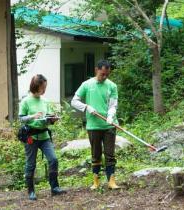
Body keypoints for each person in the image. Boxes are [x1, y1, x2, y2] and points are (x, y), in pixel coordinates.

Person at [71, 59, 120, 190]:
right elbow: (74, 101)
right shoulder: (86, 85)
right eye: (102, 74)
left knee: (110, 154)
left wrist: (110, 115)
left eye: (107, 74)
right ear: (96, 70)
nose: (104, 77)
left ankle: (111, 181)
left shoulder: (112, 86)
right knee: (96, 154)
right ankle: (96, 181)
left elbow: (113, 104)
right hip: (93, 126)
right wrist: (86, 107)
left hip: (109, 125)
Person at [19, 74, 66, 200]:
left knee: (53, 160)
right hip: (31, 137)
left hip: (44, 136)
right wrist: (32, 116)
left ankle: (55, 188)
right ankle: (31, 191)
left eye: (45, 87)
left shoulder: (45, 101)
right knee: (31, 164)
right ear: (36, 86)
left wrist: (52, 119)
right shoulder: (25, 101)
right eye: (43, 87)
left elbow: (48, 118)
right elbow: (21, 118)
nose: (44, 89)